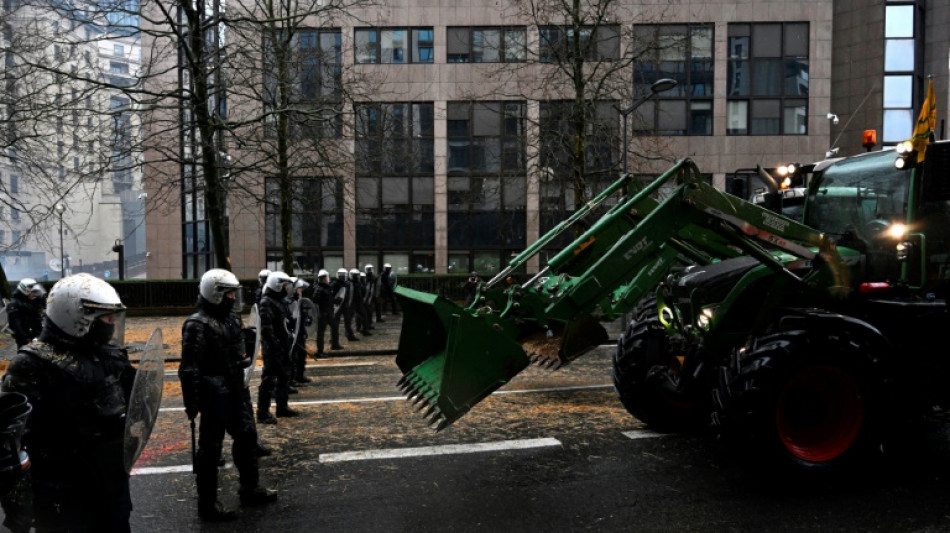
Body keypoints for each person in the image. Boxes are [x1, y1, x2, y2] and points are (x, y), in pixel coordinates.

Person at [1, 273, 134, 531]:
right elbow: (10, 441)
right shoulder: (31, 364)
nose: (110, 323)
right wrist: (17, 503)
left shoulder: (109, 356)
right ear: (77, 318)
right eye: (105, 317)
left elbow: (134, 400)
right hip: (62, 492)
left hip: (111, 483)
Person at [179, 269, 278, 522]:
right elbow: (189, 369)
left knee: (247, 437)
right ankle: (208, 505)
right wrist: (193, 403)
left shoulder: (232, 319)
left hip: (236, 388)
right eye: (229, 293)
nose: (234, 298)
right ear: (215, 293)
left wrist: (248, 341)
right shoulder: (196, 324)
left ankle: (250, 489)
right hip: (214, 395)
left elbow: (237, 351)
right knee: (210, 450)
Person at [256, 271, 298, 423]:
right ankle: (262, 412)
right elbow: (267, 328)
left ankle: (282, 407)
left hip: (283, 344)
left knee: (283, 377)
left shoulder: (280, 301)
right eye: (285, 286)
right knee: (268, 379)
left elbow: (285, 321)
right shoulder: (266, 302)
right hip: (273, 347)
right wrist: (275, 346)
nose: (288, 289)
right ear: (277, 286)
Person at [6, 279, 45, 349]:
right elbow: (16, 326)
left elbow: (37, 320)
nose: (35, 294)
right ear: (25, 290)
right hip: (25, 341)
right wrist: (27, 340)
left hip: (36, 339)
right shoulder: (14, 305)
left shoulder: (31, 302)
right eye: (33, 292)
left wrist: (39, 336)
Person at [289, 277, 313, 385]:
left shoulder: (299, 300)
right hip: (294, 332)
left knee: (301, 355)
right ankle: (292, 378)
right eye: (299, 288)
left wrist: (307, 318)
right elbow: (292, 318)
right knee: (293, 356)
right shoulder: (290, 301)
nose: (300, 291)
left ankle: (299, 375)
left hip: (300, 331)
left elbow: (300, 316)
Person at [312, 270, 340, 356]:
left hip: (329, 313)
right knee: (321, 333)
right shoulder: (319, 289)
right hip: (322, 314)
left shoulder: (326, 288)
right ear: (324, 279)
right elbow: (315, 301)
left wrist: (336, 301)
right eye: (327, 278)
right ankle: (320, 351)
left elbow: (330, 299)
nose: (328, 279)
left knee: (335, 326)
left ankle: (335, 345)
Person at [331, 268, 357, 343]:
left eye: (343, 275)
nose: (342, 276)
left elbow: (349, 294)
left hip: (345, 305)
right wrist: (335, 302)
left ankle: (350, 336)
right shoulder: (334, 284)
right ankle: (333, 339)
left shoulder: (347, 284)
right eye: (341, 275)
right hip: (337, 306)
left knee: (348, 322)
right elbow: (332, 295)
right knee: (335, 323)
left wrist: (349, 303)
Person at [350, 269, 371, 337]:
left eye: (357, 275)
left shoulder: (358, 283)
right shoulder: (350, 283)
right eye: (355, 275)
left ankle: (364, 330)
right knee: (349, 319)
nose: (357, 277)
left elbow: (362, 292)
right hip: (352, 303)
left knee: (363, 316)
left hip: (359, 302)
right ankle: (351, 333)